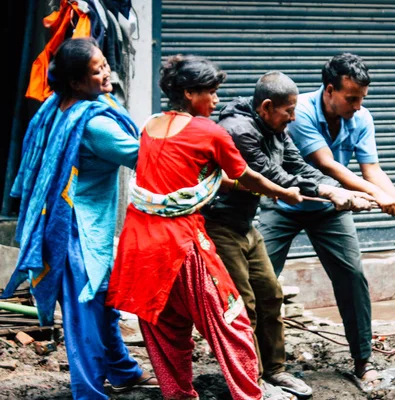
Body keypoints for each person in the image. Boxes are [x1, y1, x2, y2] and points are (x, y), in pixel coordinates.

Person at [106, 55, 303, 400]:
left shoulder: (149, 125)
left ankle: (179, 395)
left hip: (138, 240)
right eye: (210, 93)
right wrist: (282, 192)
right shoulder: (211, 131)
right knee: (232, 321)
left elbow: (196, 179)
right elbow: (246, 177)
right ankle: (250, 394)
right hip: (181, 242)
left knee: (164, 327)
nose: (215, 100)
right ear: (188, 93)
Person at [262, 53, 395, 393]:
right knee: (261, 283)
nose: (358, 105)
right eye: (351, 98)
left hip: (331, 210)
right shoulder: (300, 113)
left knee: (353, 279)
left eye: (362, 98)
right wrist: (383, 199)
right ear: (329, 90)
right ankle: (258, 365)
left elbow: (372, 170)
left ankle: (363, 361)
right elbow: (329, 167)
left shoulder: (361, 117)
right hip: (285, 205)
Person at [1, 37, 158, 399]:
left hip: (68, 225)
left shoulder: (55, 107)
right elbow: (144, 157)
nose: (107, 72)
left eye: (104, 64)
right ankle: (88, 392)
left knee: (102, 304)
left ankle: (122, 371)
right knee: (83, 314)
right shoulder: (94, 125)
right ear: (75, 82)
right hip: (73, 231)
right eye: (97, 69)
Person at [203, 71, 371, 399]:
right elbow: (272, 175)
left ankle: (275, 371)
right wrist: (325, 189)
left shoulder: (276, 127)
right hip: (220, 225)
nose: (294, 117)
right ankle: (252, 380)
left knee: (270, 294)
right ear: (266, 107)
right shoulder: (239, 131)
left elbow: (299, 165)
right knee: (244, 304)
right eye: (288, 111)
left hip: (245, 224)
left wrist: (338, 191)